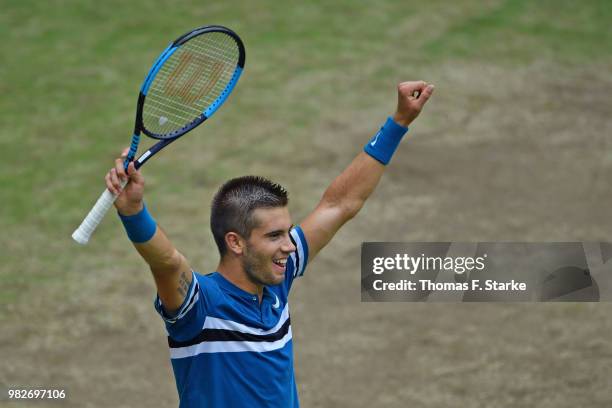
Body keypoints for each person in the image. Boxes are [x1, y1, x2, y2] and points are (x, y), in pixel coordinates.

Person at [106, 81, 434, 407]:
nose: (289, 246)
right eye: (275, 236)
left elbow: (340, 204)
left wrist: (399, 122)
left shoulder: (276, 278)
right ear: (235, 242)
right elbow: (167, 262)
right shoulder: (201, 307)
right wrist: (134, 212)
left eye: (287, 232)